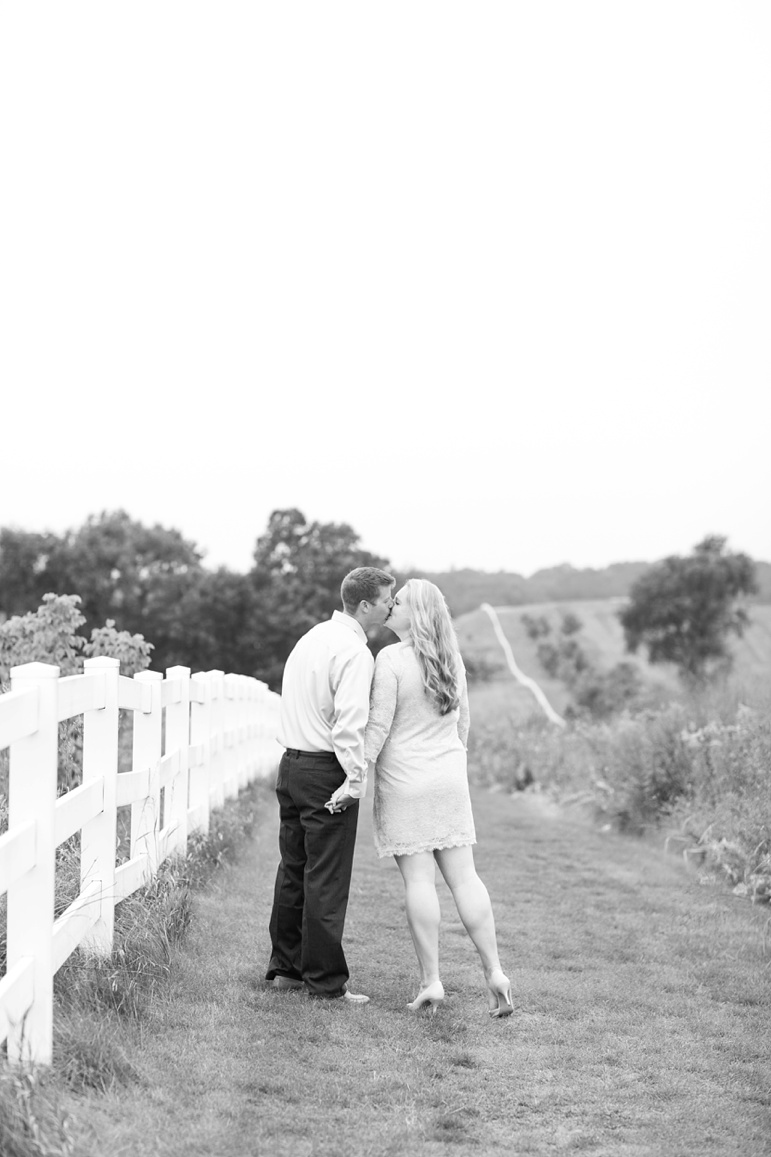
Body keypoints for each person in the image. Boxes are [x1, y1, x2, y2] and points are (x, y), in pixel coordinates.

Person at [361, 578, 513, 1017]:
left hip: (405, 783)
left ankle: (431, 981)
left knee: (419, 882)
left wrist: (357, 773)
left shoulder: (389, 660)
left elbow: (378, 728)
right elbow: (462, 727)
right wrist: (450, 761)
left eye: (400, 602)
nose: (392, 606)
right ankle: (496, 972)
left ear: (417, 613)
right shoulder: (452, 660)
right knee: (466, 879)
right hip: (449, 779)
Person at [265, 566, 395, 1003]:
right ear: (364, 605)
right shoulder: (356, 654)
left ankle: (286, 969)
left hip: (291, 765)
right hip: (326, 771)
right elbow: (348, 726)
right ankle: (324, 983)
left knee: (293, 871)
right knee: (326, 878)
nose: (390, 606)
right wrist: (355, 780)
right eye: (385, 600)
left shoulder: (311, 638)